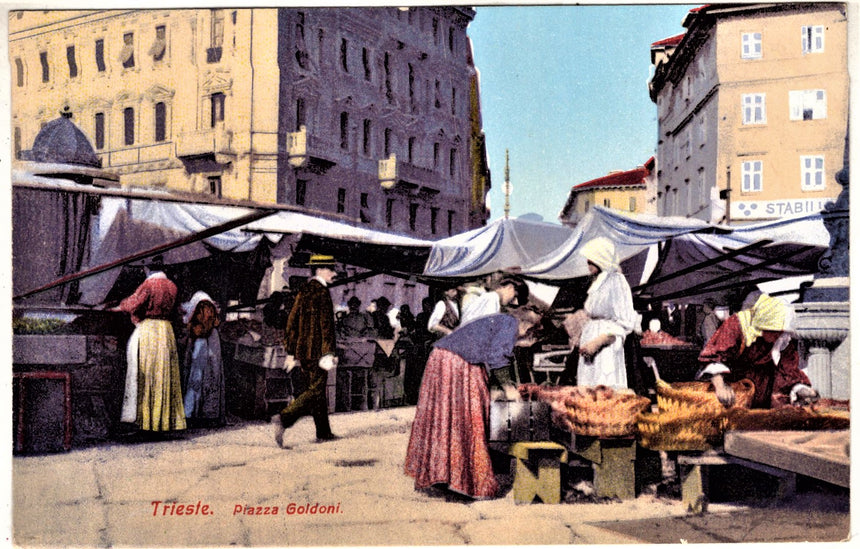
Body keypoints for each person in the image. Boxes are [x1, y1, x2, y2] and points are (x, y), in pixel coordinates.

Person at [404, 309, 529, 500]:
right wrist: (509, 390)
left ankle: (442, 475)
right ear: (527, 327)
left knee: (445, 418)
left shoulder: (498, 320)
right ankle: (468, 481)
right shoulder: (510, 324)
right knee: (471, 417)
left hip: (440, 359)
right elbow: (497, 357)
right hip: (458, 364)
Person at [697, 293, 818, 409]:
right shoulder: (737, 325)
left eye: (780, 332)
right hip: (733, 388)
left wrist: (801, 388)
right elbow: (713, 356)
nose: (777, 336)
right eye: (773, 331)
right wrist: (720, 386)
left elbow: (788, 368)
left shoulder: (782, 337)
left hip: (762, 387)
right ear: (763, 325)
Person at [273, 254, 339, 446]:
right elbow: (326, 326)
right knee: (316, 391)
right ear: (319, 270)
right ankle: (284, 418)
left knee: (316, 390)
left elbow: (291, 322)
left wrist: (292, 350)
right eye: (330, 270)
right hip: (318, 351)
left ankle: (324, 431)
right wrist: (329, 352)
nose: (333, 274)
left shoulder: (303, 290)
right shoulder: (322, 292)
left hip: (304, 352)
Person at [114, 257, 186, 433]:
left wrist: (119, 306)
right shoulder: (172, 286)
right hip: (166, 331)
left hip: (150, 330)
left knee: (146, 373)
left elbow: (133, 304)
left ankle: (147, 422)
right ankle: (164, 422)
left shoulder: (148, 285)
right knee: (164, 374)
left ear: (147, 268)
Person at [575, 237, 638, 389]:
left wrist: (599, 341)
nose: (588, 264)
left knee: (604, 389)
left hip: (605, 345)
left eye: (591, 261)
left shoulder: (616, 280)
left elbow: (624, 322)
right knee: (587, 390)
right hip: (591, 342)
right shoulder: (597, 283)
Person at [180, 291, 225, 427]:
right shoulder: (210, 306)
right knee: (212, 377)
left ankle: (191, 414)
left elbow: (201, 327)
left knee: (196, 378)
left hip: (202, 342)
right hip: (212, 342)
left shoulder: (200, 305)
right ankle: (210, 414)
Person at [459, 274, 529, 325]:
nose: (515, 303)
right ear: (510, 287)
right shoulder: (492, 298)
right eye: (515, 297)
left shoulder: (487, 297)